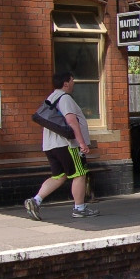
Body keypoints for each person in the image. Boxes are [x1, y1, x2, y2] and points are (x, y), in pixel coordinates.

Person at [24, 71, 99, 220]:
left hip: (51, 145)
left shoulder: (51, 97)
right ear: (66, 83)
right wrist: (81, 143)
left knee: (59, 176)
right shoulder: (65, 98)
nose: (73, 83)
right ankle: (79, 208)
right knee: (80, 174)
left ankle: (35, 201)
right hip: (67, 145)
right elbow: (72, 121)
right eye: (72, 80)